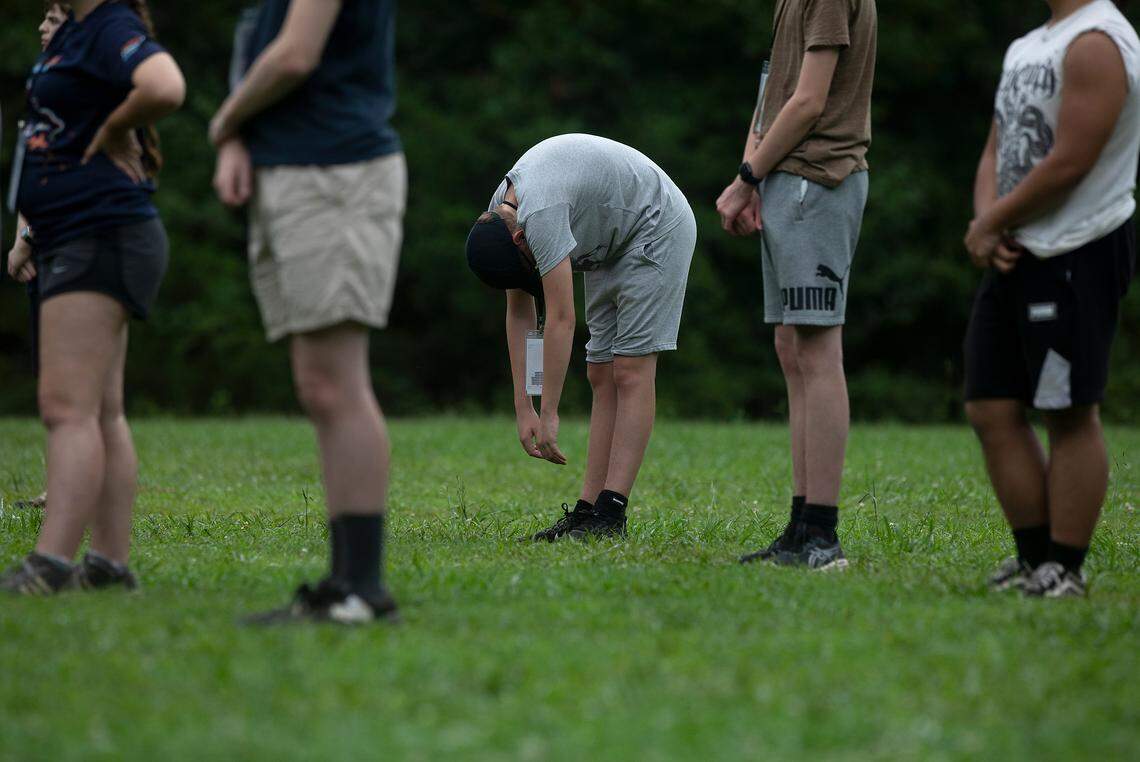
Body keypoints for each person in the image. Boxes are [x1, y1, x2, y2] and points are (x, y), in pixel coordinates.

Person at [210, 0, 404, 624]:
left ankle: (361, 590)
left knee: (337, 384)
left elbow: (294, 55)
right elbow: (264, 46)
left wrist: (223, 123)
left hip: (335, 174)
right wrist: (242, 137)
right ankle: (346, 583)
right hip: (298, 171)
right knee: (319, 385)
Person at [1, 0, 185, 595]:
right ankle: (107, 565)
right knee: (100, 410)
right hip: (82, 231)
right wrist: (31, 232)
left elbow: (164, 85)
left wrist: (112, 129)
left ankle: (49, 565)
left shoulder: (109, 24)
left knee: (67, 407)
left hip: (99, 231)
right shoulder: (77, 31)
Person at [963, 0, 1139, 598]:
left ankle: (1066, 566)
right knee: (990, 406)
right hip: (1016, 247)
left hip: (1077, 247)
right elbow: (997, 147)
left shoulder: (1097, 41)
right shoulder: (1027, 46)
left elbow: (1072, 159)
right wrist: (989, 219)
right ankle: (1035, 558)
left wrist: (993, 225)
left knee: (1067, 410)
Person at [465, 133, 696, 542]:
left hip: (656, 223)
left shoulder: (540, 215)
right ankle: (588, 511)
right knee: (599, 373)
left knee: (630, 369)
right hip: (610, 239)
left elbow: (560, 318)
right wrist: (524, 407)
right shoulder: (499, 217)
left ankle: (611, 514)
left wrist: (550, 412)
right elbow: (519, 311)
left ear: (521, 239)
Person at [717, 0, 877, 569]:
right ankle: (801, 523)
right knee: (791, 345)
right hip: (783, 178)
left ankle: (823, 534)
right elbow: (774, 86)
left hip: (818, 179)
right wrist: (754, 174)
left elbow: (809, 99)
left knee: (816, 346)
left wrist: (746, 178)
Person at [7, 2, 71, 514]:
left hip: (67, 241)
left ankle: (71, 491)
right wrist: (20, 236)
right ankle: (59, 485)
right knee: (50, 377)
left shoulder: (80, 87)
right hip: (38, 241)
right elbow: (32, 168)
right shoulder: (44, 82)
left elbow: (69, 172)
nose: (41, 28)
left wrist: (30, 234)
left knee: (73, 382)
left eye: (52, 20)